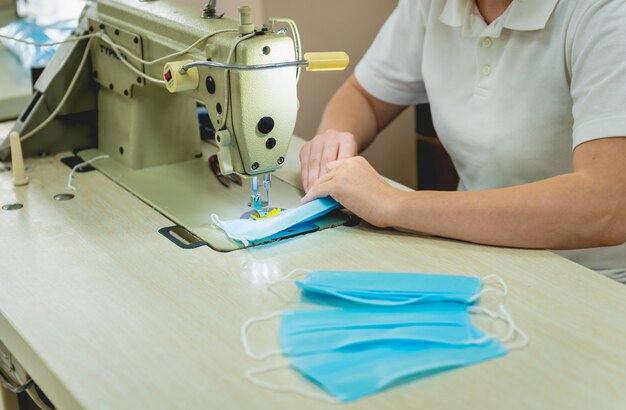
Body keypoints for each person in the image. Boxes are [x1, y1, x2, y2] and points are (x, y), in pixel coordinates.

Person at [298, 0, 626, 283]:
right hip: (476, 256)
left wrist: (393, 204)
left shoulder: (605, 13)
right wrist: (334, 142)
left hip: (594, 280)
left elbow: (608, 205)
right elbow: (365, 97)